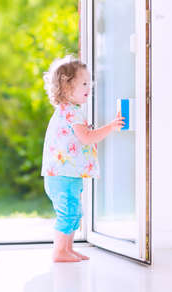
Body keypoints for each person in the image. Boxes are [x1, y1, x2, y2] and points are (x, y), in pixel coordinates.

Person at [41, 55, 125, 262]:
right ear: (67, 87)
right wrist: (111, 127)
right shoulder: (72, 113)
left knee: (73, 213)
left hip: (64, 174)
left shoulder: (68, 111)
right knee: (68, 213)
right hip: (63, 175)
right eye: (85, 83)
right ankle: (60, 251)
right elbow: (86, 138)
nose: (90, 87)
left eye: (90, 82)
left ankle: (67, 249)